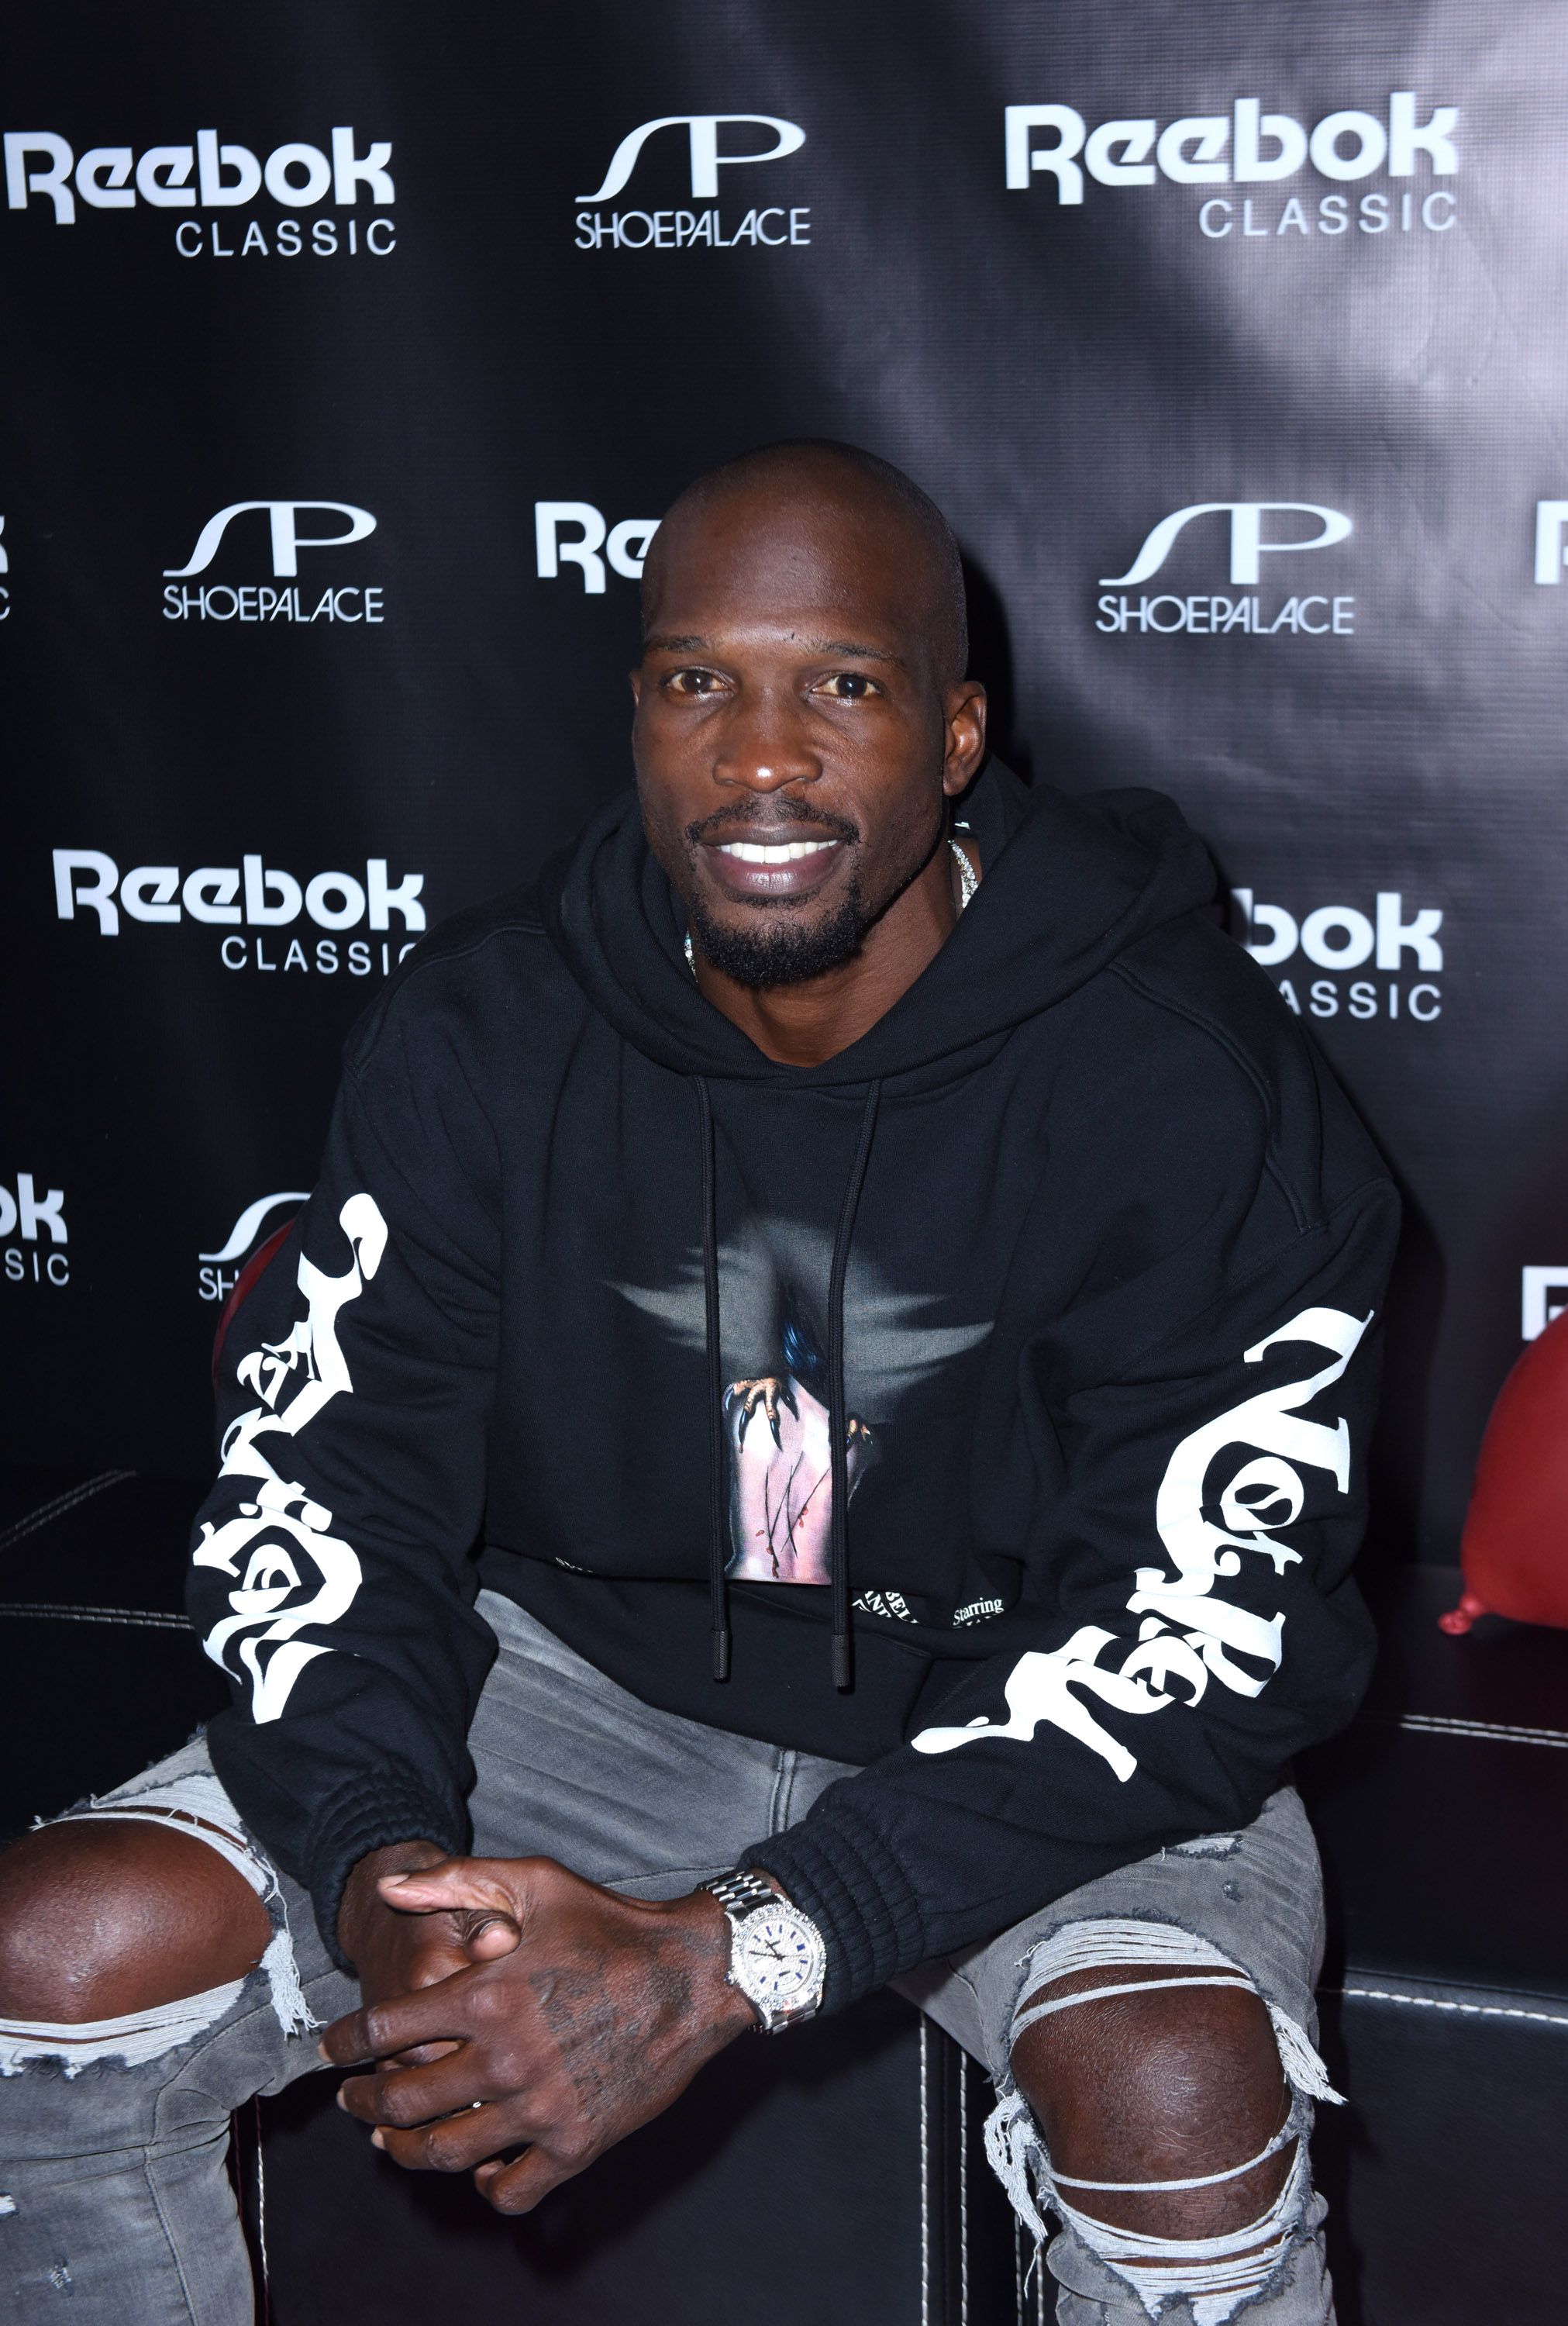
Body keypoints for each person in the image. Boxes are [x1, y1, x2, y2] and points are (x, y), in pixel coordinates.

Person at [0, 441, 1397, 2324]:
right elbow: (326, 1492)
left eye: (842, 684)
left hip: (1014, 1701)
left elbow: (1199, 1621)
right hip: (589, 1684)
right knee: (66, 1956)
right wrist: (374, 1868)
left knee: (1174, 2090)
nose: (759, 758)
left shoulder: (1183, 1085)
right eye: (695, 683)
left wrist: (744, 1946)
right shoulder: (486, 1033)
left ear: (959, 731)